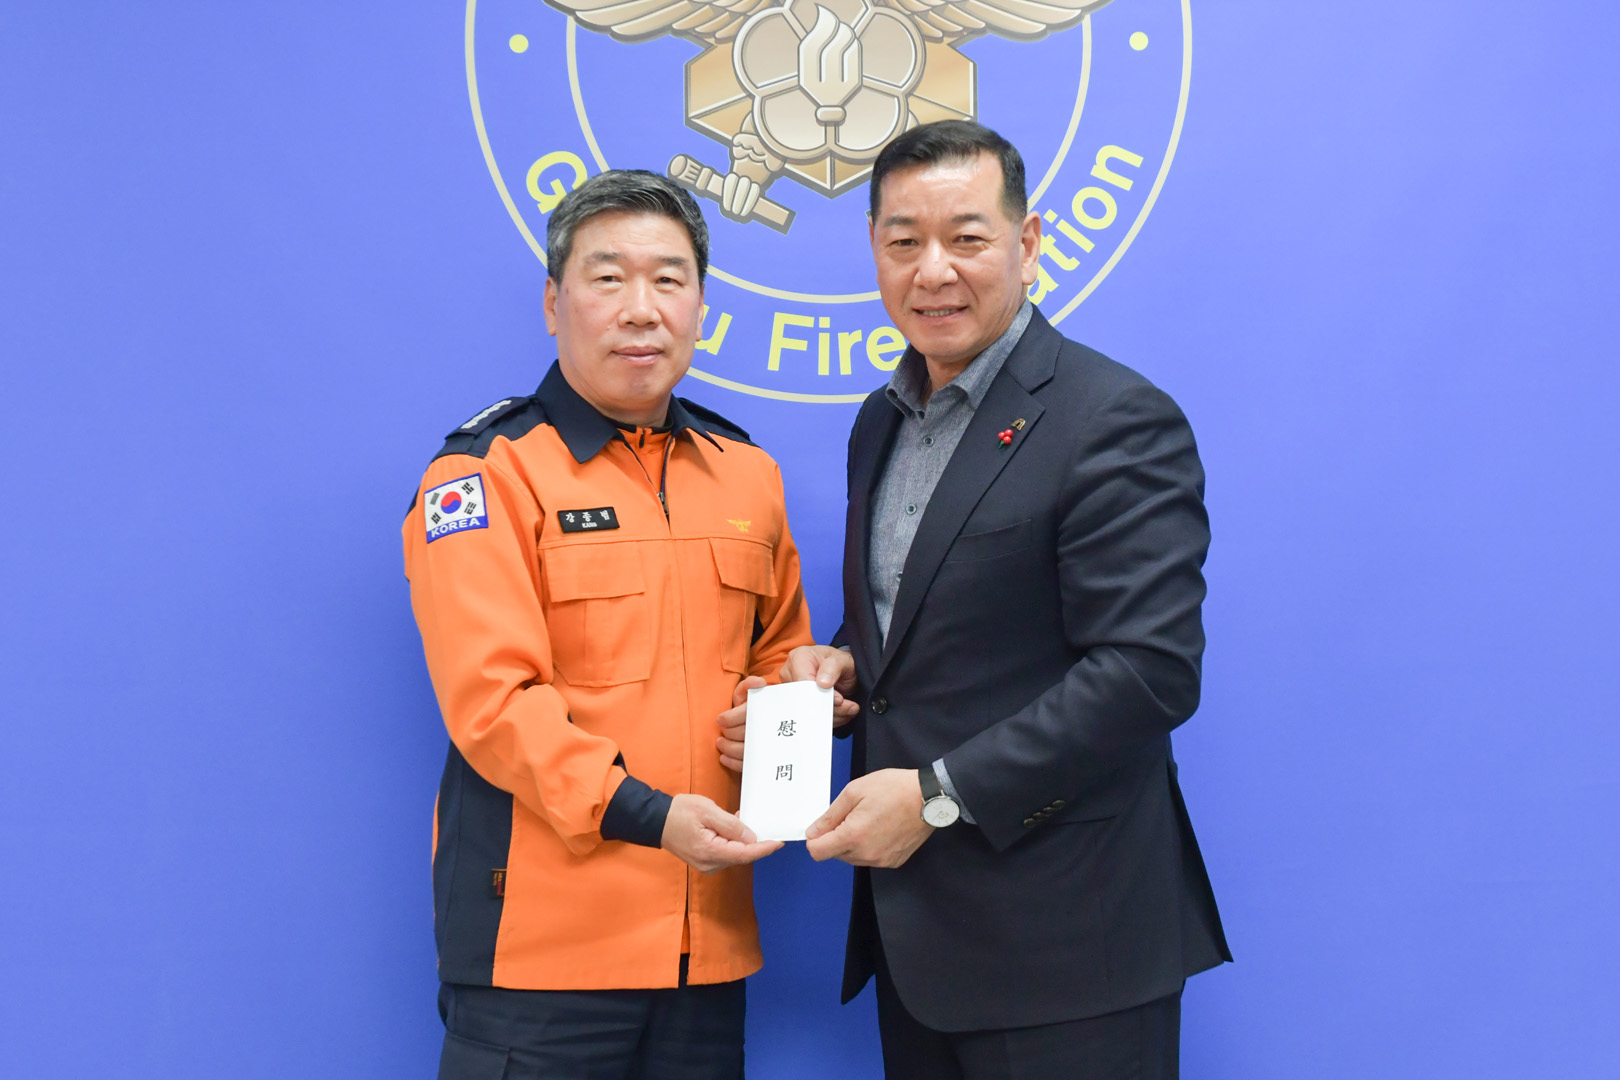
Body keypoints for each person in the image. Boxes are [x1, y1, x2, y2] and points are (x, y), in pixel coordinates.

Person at [734, 120, 1232, 1078]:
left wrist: (935, 798)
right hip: (918, 947)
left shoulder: (1113, 419)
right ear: (874, 251)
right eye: (904, 241)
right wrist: (846, 662)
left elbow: (1148, 672)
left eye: (966, 238)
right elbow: (923, 614)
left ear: (1028, 243)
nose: (934, 271)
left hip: (1071, 951)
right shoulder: (882, 420)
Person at [404, 170, 816, 1079]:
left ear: (701, 307)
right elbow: (493, 706)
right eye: (608, 278)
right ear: (554, 304)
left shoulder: (748, 474)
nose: (641, 309)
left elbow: (781, 653)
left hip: (704, 952)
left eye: (669, 280)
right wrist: (650, 816)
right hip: (539, 960)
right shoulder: (486, 475)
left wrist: (798, 705)